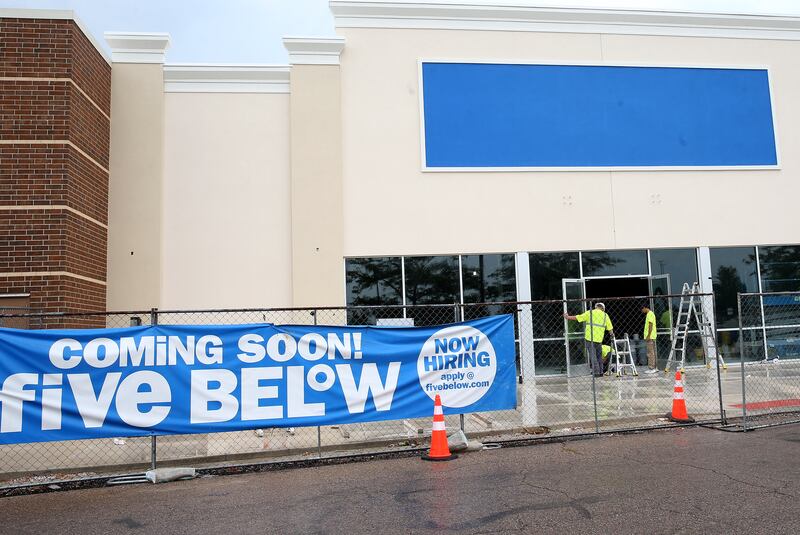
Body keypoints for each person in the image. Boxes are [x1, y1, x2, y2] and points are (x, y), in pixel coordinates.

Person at [564, 303, 614, 377]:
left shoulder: (590, 313)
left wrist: (567, 317)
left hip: (590, 338)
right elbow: (610, 328)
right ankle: (601, 372)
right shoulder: (605, 315)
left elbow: (578, 317)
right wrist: (612, 335)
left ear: (596, 307)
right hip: (599, 339)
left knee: (593, 357)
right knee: (599, 357)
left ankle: (596, 372)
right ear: (603, 309)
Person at [642, 304, 658, 373]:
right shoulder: (650, 314)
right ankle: (654, 367)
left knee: (650, 353)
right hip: (651, 336)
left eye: (642, 309)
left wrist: (648, 336)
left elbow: (650, 325)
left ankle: (652, 368)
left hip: (650, 337)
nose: (642, 311)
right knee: (652, 352)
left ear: (644, 308)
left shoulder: (650, 314)